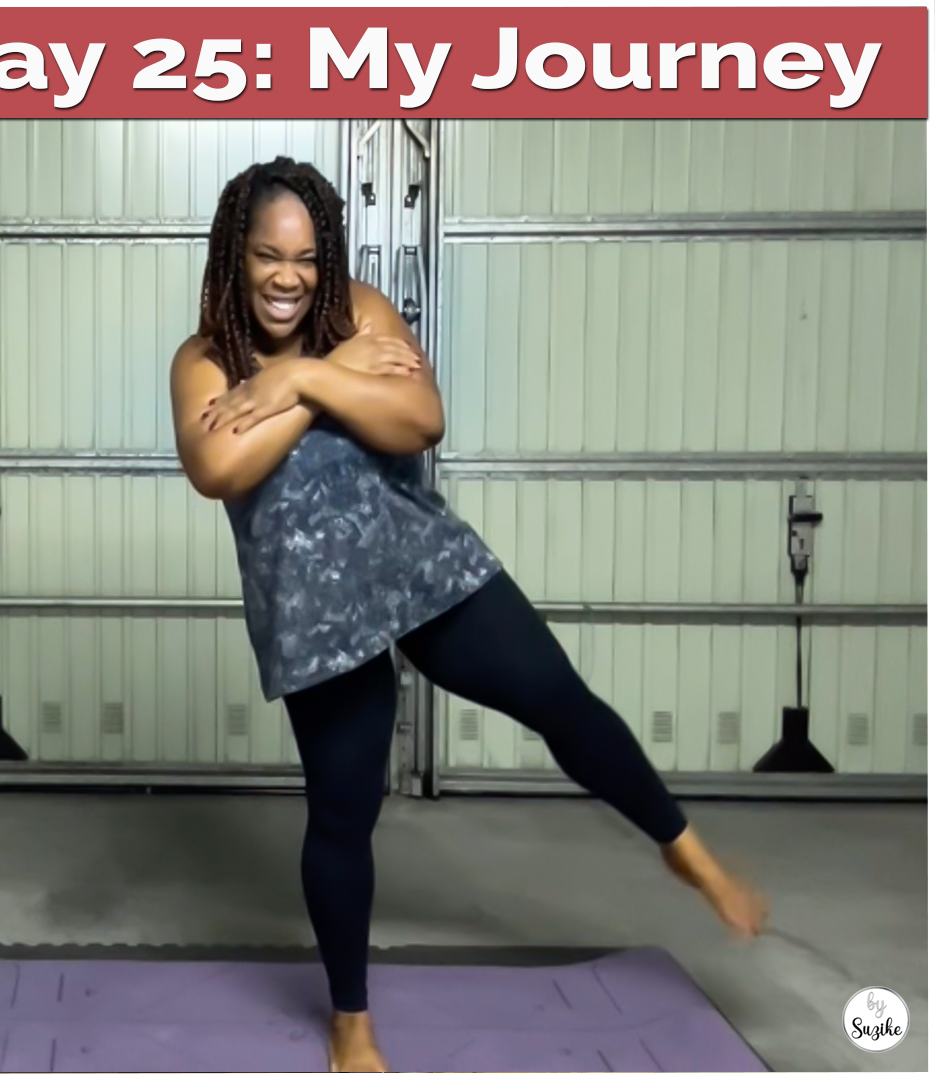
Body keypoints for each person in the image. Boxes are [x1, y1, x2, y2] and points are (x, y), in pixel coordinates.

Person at [170, 156, 767, 1072]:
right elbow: (219, 468)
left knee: (561, 700)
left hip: (425, 567)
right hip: (321, 611)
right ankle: (351, 1022)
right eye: (267, 256)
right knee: (344, 814)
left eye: (306, 258)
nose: (289, 278)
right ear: (234, 255)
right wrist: (328, 381)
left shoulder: (361, 311)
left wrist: (300, 381)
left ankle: (683, 846)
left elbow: (419, 420)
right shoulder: (206, 360)